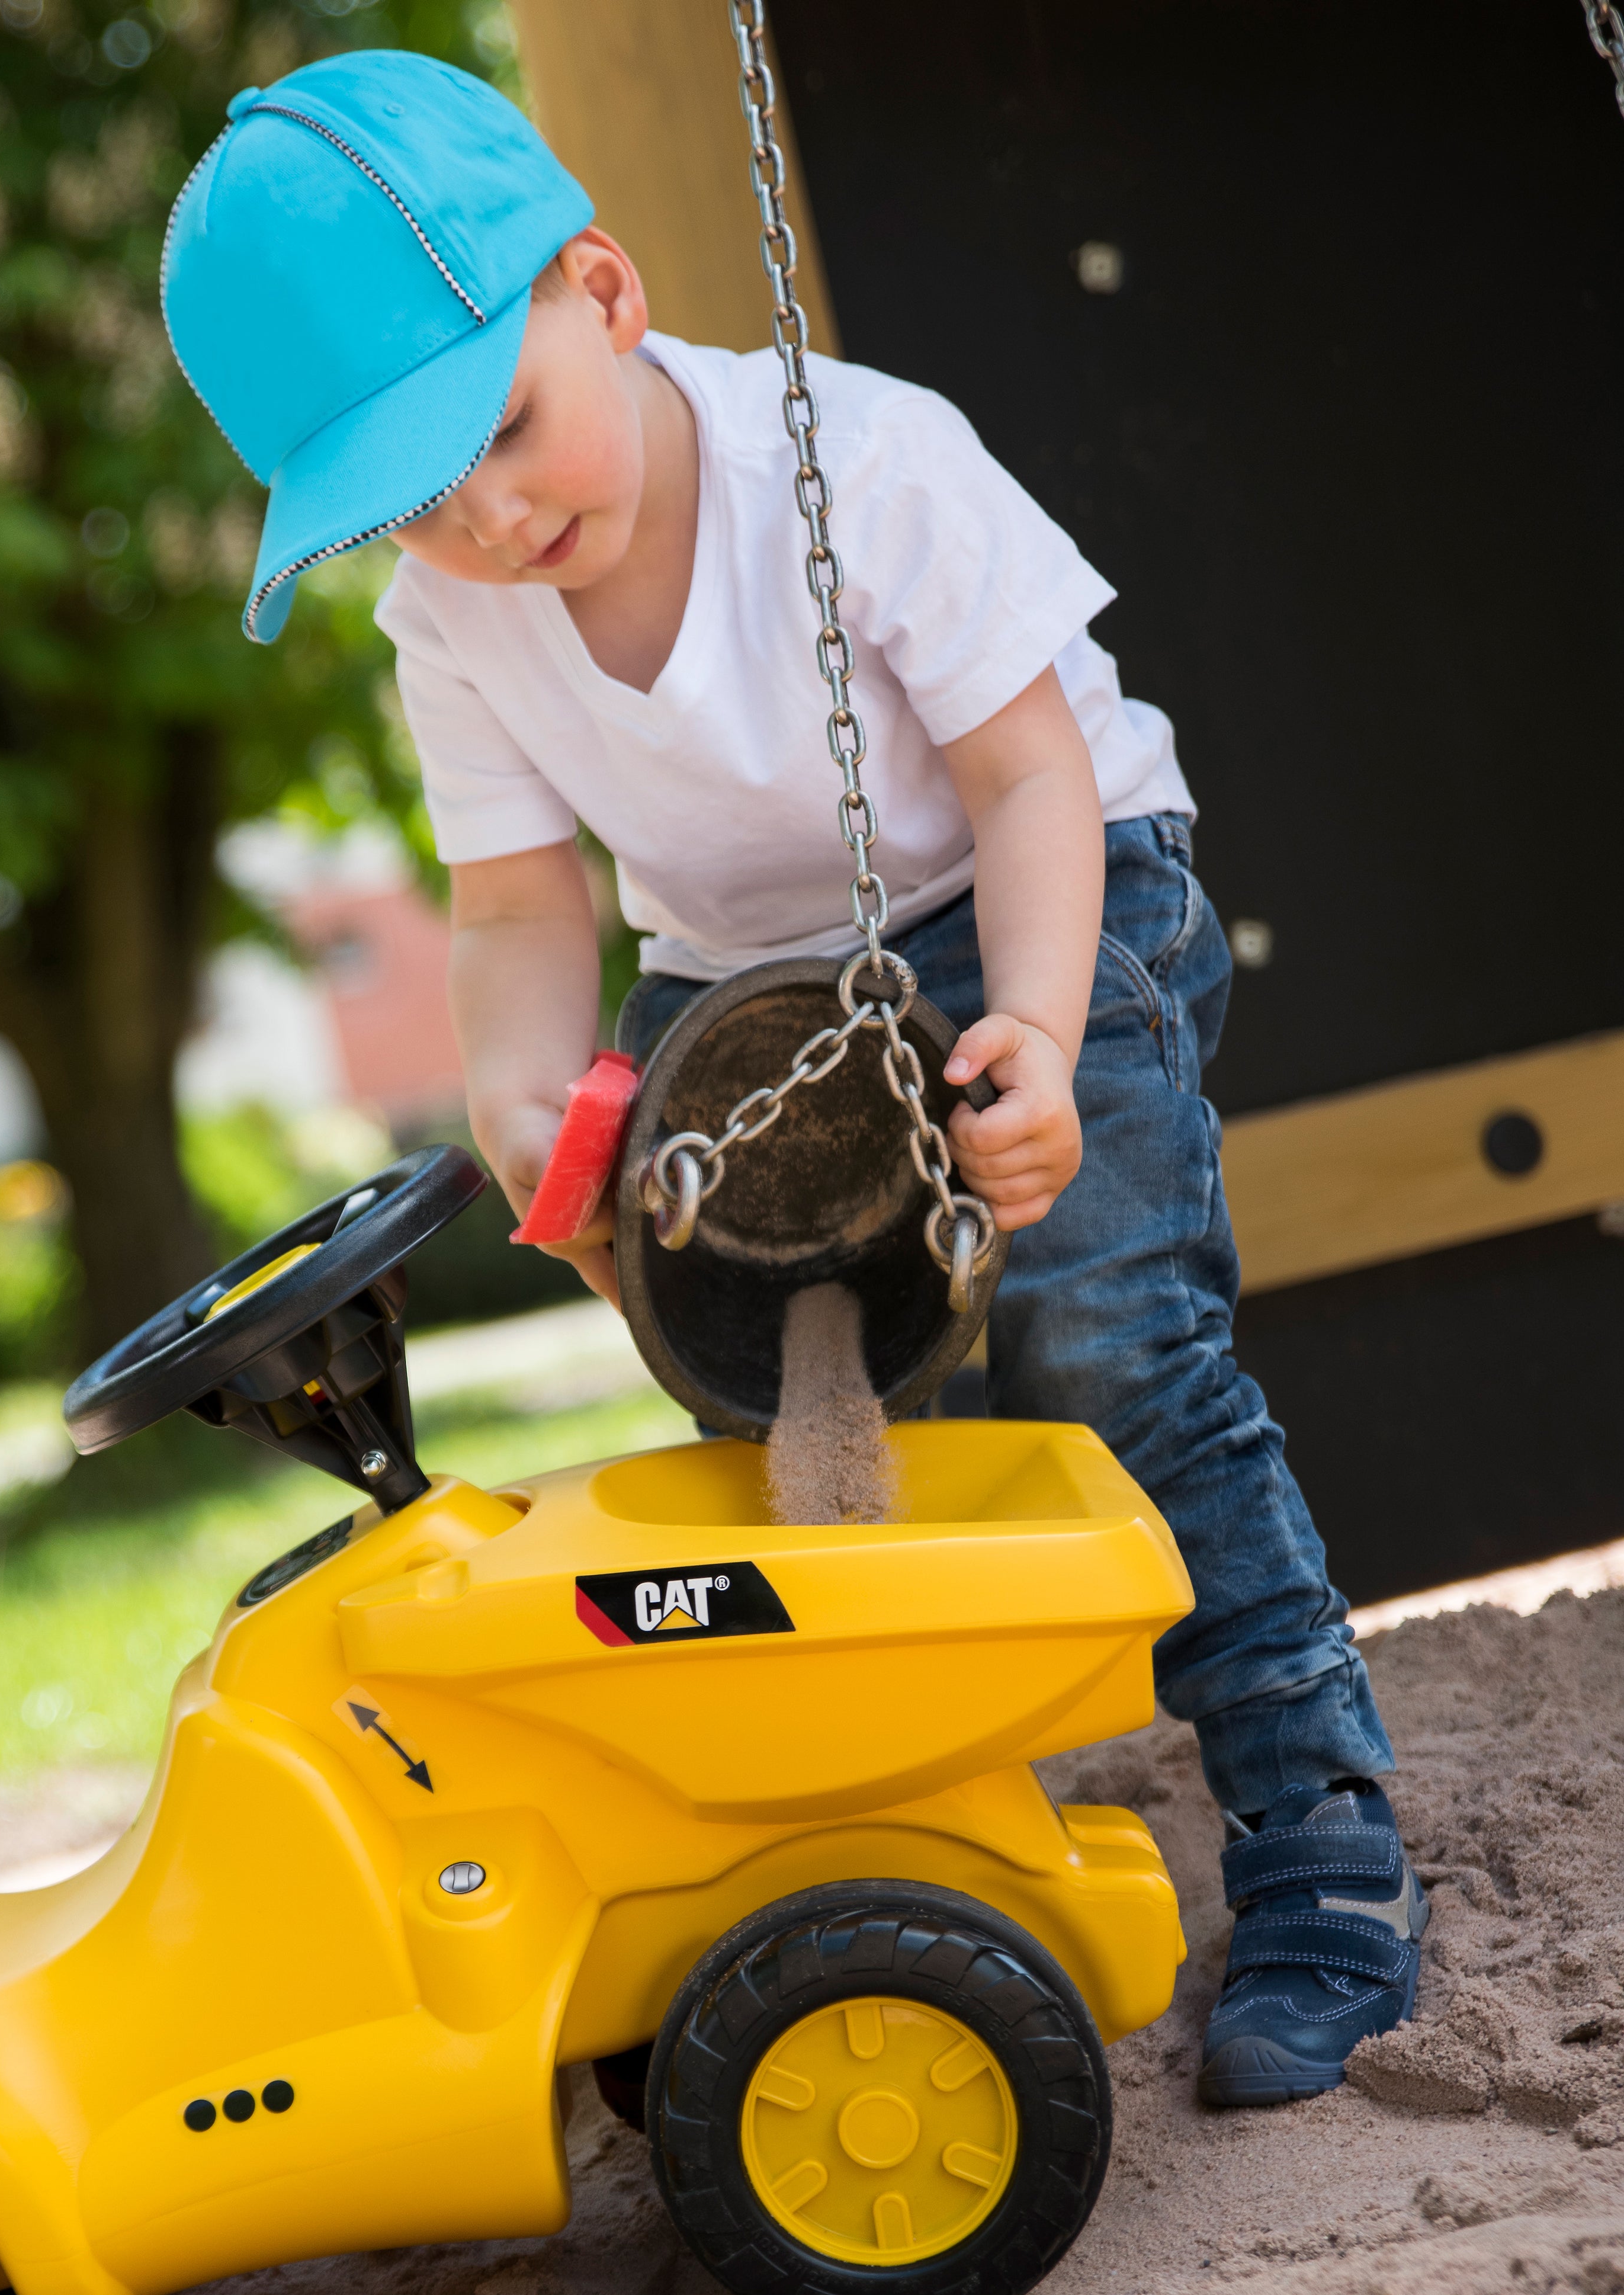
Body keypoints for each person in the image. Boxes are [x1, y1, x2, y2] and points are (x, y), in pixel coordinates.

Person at [159, 50, 1427, 2107]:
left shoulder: (859, 461)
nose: (489, 519)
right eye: (411, 504)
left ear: (605, 291)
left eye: (502, 429)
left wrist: (1035, 1035)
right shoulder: (454, 623)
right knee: (769, 1384)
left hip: (1040, 893)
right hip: (748, 983)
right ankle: (890, 1845)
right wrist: (526, 1099)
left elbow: (1032, 776)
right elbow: (513, 901)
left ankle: (1319, 1836)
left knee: (1108, 1341)